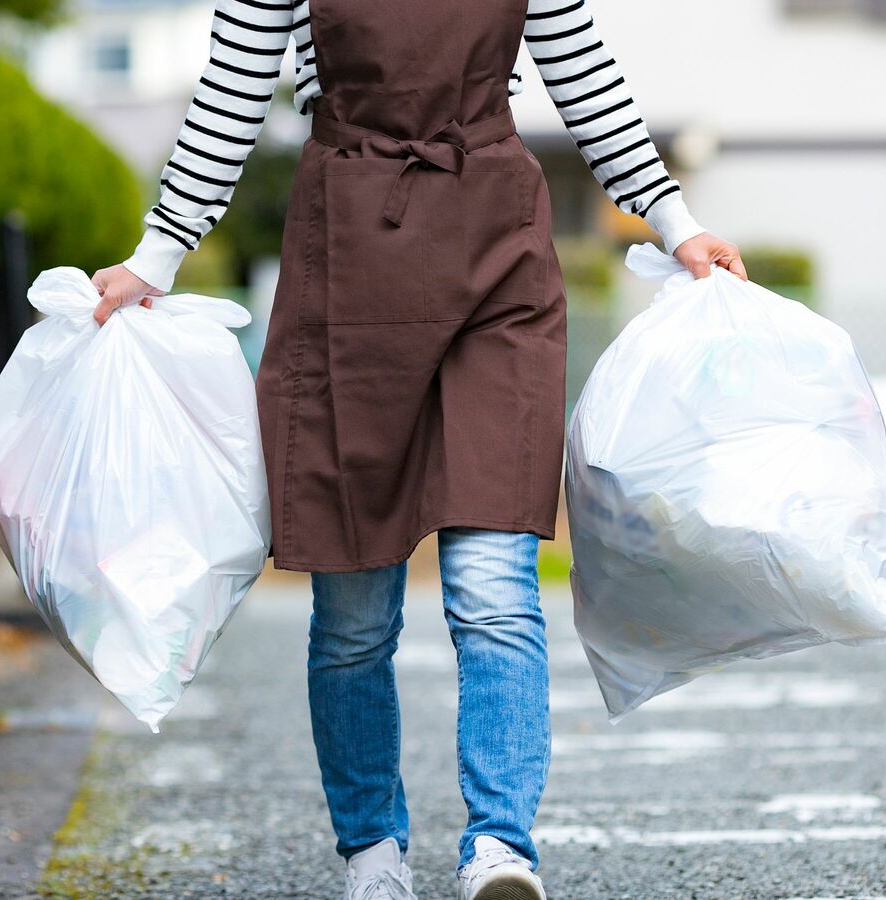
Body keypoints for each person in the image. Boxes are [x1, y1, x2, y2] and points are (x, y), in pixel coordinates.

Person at [91, 0, 746, 896]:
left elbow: (584, 76)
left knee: (493, 585)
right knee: (356, 612)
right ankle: (371, 851)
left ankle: (500, 848)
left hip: (497, 262)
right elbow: (234, 90)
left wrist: (674, 222)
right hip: (348, 262)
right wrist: (159, 254)